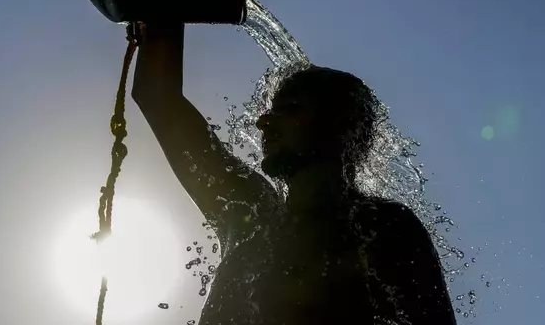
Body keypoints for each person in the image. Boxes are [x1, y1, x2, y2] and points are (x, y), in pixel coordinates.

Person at [131, 23, 456, 325]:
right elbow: (158, 98)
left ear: (340, 126)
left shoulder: (384, 226)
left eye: (291, 109)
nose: (265, 122)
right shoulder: (247, 210)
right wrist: (163, 9)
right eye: (271, 111)